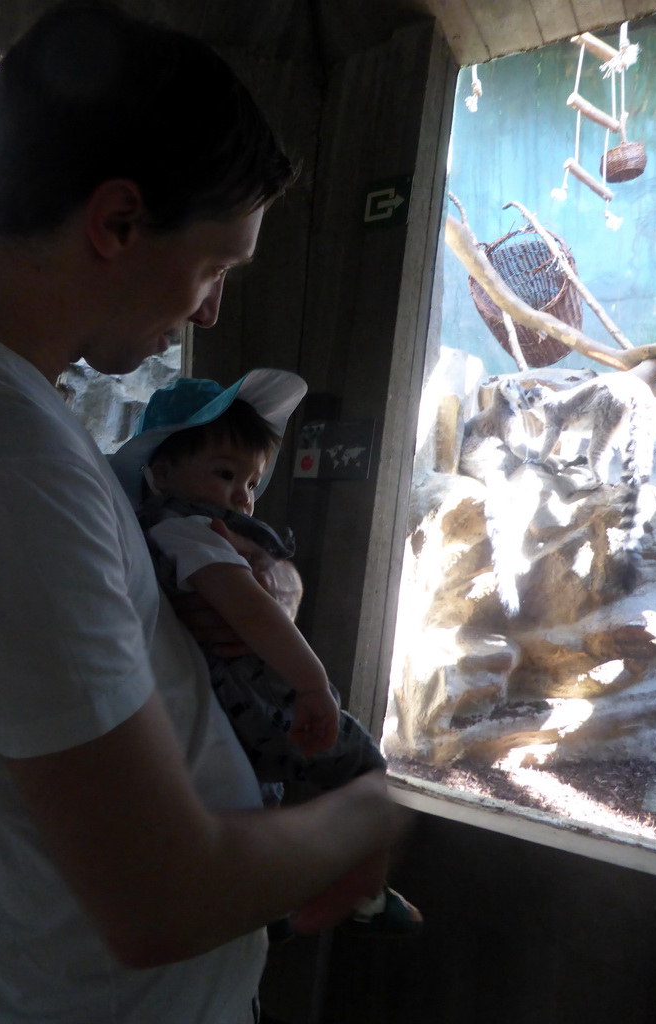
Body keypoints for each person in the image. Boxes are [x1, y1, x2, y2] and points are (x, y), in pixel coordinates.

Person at [0, 4, 401, 1023]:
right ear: (118, 222)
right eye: (214, 265)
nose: (209, 308)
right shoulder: (0, 459)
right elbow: (157, 898)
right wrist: (366, 816)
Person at [111, 369, 425, 937]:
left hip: (222, 711)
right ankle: (368, 896)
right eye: (226, 474)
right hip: (253, 698)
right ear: (160, 473)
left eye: (251, 483)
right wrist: (312, 685)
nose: (241, 495)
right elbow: (249, 611)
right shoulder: (191, 531)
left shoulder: (158, 529)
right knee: (362, 766)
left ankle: (284, 900)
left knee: (267, 792)